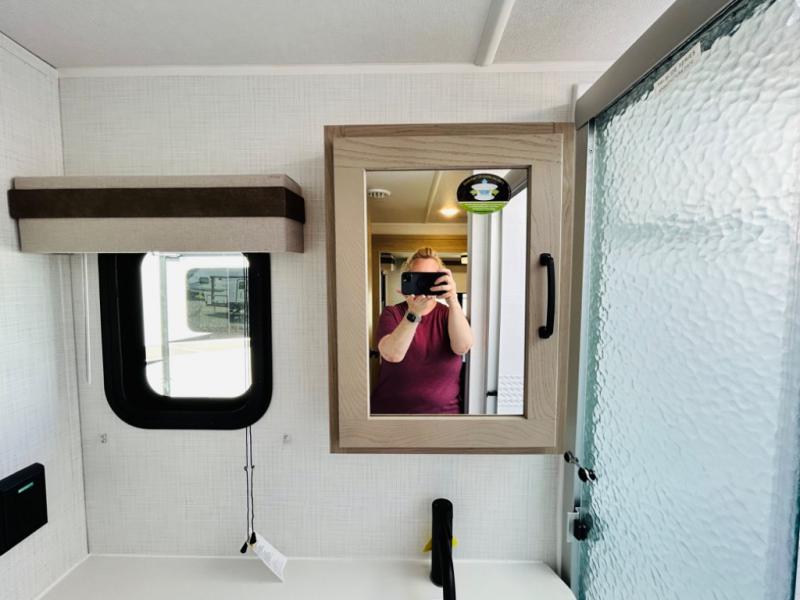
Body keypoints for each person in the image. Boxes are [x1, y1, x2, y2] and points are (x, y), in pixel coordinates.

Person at [370, 247, 473, 414]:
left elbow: (462, 347)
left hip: (443, 415)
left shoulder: (450, 315)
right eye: (419, 277)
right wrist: (414, 313)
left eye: (430, 278)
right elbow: (392, 355)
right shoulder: (392, 313)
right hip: (391, 414)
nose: (424, 284)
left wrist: (453, 299)